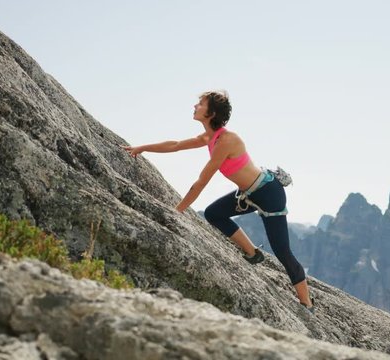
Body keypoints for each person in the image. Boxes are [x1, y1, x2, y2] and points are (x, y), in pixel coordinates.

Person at [122, 90, 314, 313]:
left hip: (268, 193)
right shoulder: (209, 138)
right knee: (214, 214)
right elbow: (174, 145)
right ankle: (253, 253)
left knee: (282, 251)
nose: (195, 106)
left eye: (200, 104)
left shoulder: (226, 140)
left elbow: (201, 182)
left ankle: (306, 303)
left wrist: (177, 211)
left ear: (211, 112)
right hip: (248, 193)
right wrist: (143, 148)